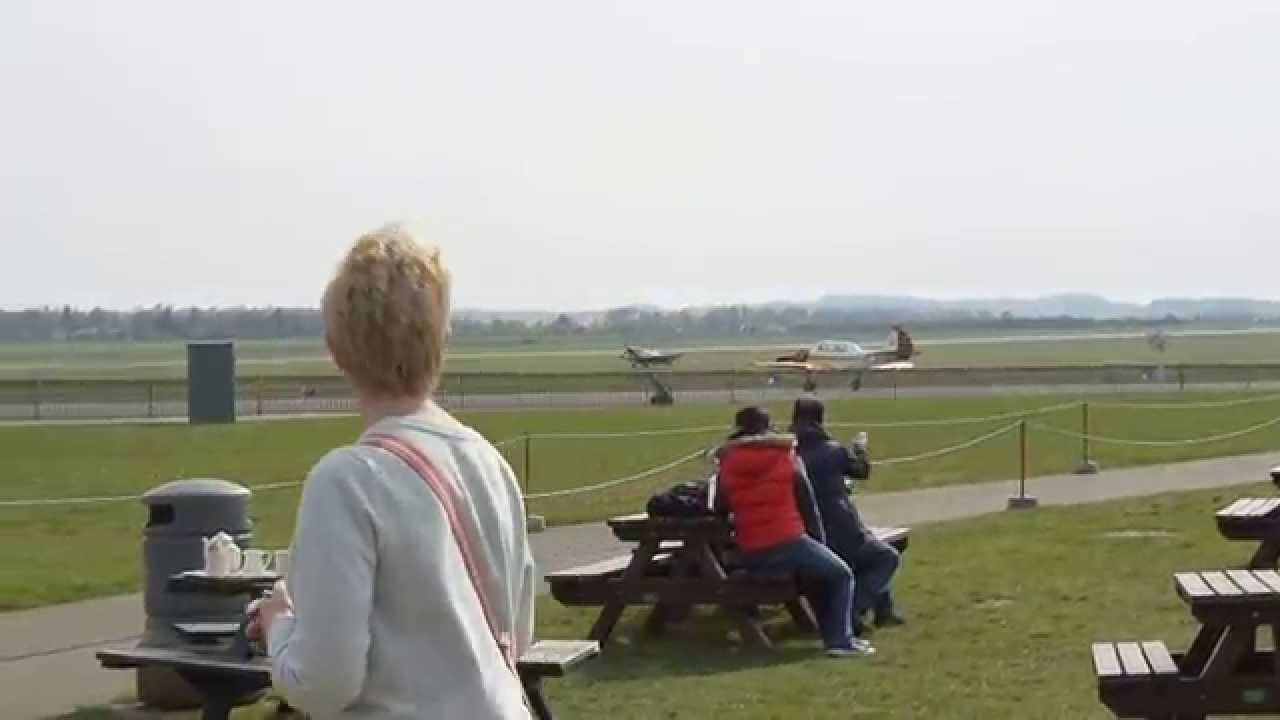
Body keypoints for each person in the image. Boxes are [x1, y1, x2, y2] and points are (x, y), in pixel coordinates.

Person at [248, 223, 537, 718]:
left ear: (335, 350)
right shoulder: (491, 463)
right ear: (441, 339)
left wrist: (279, 625)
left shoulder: (346, 481)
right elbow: (518, 632)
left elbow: (324, 683)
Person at [711, 406, 873, 657]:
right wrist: (820, 542)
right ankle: (841, 640)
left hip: (751, 547)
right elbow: (807, 504)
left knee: (817, 576)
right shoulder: (786, 456)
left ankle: (836, 638)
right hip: (787, 537)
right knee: (840, 575)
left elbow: (720, 505)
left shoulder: (728, 463)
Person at [790, 396, 905, 636]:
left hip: (804, 532)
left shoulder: (788, 454)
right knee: (886, 556)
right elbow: (861, 471)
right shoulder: (833, 450)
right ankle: (850, 611)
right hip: (840, 529)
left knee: (872, 551)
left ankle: (883, 612)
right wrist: (860, 449)